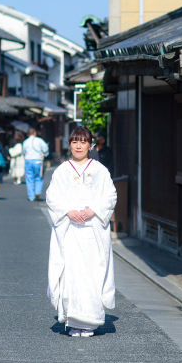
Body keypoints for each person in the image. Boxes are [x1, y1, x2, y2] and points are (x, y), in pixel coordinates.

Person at [46, 125, 117, 337]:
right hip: (69, 231)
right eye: (75, 141)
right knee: (71, 274)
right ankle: (74, 320)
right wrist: (68, 211)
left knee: (92, 273)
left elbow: (110, 196)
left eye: (83, 142)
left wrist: (93, 210)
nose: (79, 146)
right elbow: (52, 197)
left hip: (93, 231)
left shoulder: (100, 170)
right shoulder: (62, 171)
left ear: (90, 145)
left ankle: (90, 321)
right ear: (70, 145)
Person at [22, 127, 49, 202]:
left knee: (29, 178)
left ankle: (31, 196)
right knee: (38, 177)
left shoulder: (25, 142)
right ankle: (38, 192)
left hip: (28, 160)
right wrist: (45, 154)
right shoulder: (39, 140)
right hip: (38, 160)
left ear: (28, 134)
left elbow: (23, 151)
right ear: (35, 133)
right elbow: (45, 148)